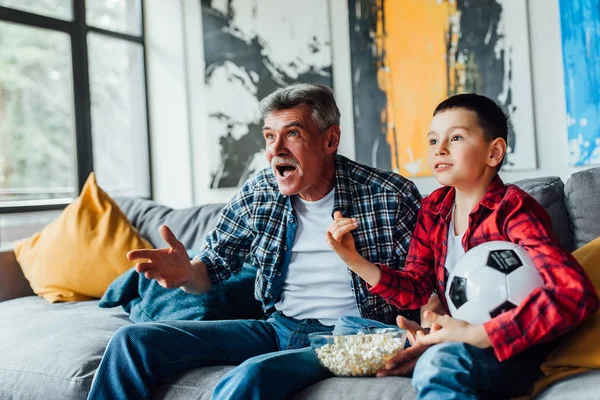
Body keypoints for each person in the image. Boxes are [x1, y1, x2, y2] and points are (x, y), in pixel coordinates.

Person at [87, 83, 422, 400]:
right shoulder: (260, 192)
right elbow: (212, 268)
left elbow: (425, 285)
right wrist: (186, 274)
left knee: (252, 375)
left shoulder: (389, 194)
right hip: (278, 328)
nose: (275, 150)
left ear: (330, 139)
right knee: (132, 342)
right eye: (269, 137)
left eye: (292, 134)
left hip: (354, 336)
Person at [326, 93, 599, 399]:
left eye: (455, 137)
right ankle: (428, 351)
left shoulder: (514, 209)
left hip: (510, 351)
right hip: (456, 336)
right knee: (348, 330)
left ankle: (433, 358)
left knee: (441, 361)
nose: (439, 149)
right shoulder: (434, 208)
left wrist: (477, 334)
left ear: (493, 152)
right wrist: (353, 260)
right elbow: (416, 287)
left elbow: (574, 293)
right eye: (433, 141)